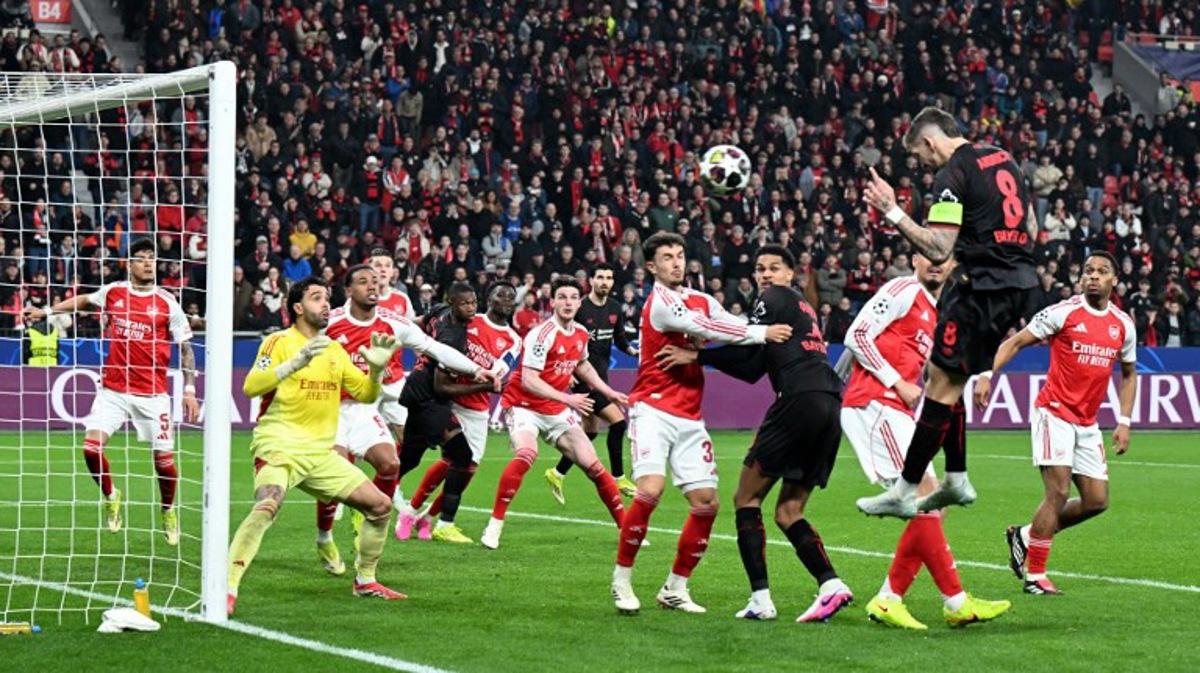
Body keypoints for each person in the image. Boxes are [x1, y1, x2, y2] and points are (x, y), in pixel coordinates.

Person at [858, 106, 1039, 517]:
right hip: (1021, 284)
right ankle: (956, 477)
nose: (926, 165)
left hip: (984, 289)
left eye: (923, 157)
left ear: (929, 141)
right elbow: (1027, 218)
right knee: (943, 374)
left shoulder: (951, 174)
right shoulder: (1001, 155)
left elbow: (939, 249)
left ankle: (904, 490)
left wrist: (891, 209)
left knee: (938, 385)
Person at [655, 245, 850, 623]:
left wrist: (697, 355)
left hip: (797, 399)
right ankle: (830, 585)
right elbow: (751, 366)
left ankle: (760, 599)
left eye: (774, 268)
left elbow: (745, 338)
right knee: (789, 511)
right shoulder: (803, 311)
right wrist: (706, 357)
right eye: (760, 269)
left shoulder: (773, 298)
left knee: (746, 499)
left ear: (790, 274)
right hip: (829, 403)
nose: (765, 275)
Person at [610, 232, 792, 615]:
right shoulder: (660, 304)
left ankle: (675, 587)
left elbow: (729, 323)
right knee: (650, 490)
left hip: (690, 414)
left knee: (706, 504)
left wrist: (764, 323)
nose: (676, 263)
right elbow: (712, 330)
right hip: (653, 408)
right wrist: (762, 332)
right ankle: (621, 581)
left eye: (679, 256)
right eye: (666, 258)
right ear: (650, 266)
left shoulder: (702, 299)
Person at [840, 253, 1011, 629]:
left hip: (897, 411)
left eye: (944, 258)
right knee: (926, 495)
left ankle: (890, 598)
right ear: (914, 259)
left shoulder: (940, 313)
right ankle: (955, 601)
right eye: (928, 256)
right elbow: (856, 335)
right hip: (874, 404)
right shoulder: (903, 289)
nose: (936, 263)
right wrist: (896, 381)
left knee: (933, 503)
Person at [228, 277, 406, 614]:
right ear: (297, 308)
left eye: (327, 298)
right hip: (279, 444)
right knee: (268, 504)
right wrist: (294, 363)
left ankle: (365, 580)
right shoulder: (277, 341)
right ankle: (227, 586)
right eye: (316, 298)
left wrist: (377, 370)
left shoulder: (335, 350)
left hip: (320, 453)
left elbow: (366, 394)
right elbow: (251, 386)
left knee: (381, 506)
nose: (325, 304)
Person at [975, 252, 1137, 595]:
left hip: (1087, 422)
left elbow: (1129, 372)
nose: (1093, 276)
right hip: (1054, 412)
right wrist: (989, 374)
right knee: (1059, 491)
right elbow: (1015, 341)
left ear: (1114, 281)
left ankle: (1025, 535)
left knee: (1096, 501)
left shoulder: (1122, 324)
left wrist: (1124, 420)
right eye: (1088, 271)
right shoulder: (1063, 312)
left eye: (1102, 272)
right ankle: (1035, 576)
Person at [313, 266, 491, 569]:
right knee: (338, 475)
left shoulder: (392, 323)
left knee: (392, 463)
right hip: (331, 408)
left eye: (375, 281)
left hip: (366, 407)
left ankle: (371, 518)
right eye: (363, 281)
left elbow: (435, 349)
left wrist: (475, 369)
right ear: (348, 291)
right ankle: (324, 536)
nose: (372, 286)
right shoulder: (331, 322)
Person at [24, 238, 199, 545]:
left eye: (152, 258)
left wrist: (188, 388)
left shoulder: (168, 303)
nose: (148, 263)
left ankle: (168, 509)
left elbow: (185, 348)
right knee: (91, 449)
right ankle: (111, 495)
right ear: (129, 264)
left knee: (165, 463)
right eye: (141, 258)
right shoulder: (114, 291)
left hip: (153, 394)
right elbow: (82, 301)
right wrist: (45, 312)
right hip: (114, 390)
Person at [480, 277, 629, 550]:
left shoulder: (581, 333)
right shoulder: (542, 333)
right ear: (553, 302)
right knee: (527, 454)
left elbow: (582, 366)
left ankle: (627, 530)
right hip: (524, 406)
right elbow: (528, 380)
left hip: (555, 409)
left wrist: (608, 392)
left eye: (573, 297)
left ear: (579, 302)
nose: (568, 302)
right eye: (562, 297)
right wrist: (568, 398)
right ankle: (495, 525)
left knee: (592, 465)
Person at [401, 282, 521, 540]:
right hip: (446, 398)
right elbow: (431, 334)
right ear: (488, 298)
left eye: (512, 296)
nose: (507, 300)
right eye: (501, 294)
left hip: (476, 406)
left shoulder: (513, 340)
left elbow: (497, 375)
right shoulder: (465, 318)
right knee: (451, 459)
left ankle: (426, 517)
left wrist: (491, 380)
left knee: (465, 467)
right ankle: (418, 514)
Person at [544, 263, 640, 503]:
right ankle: (619, 477)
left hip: (600, 376)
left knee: (590, 431)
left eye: (609, 278)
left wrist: (631, 350)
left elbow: (618, 338)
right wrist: (568, 372)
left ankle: (557, 472)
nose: (604, 282)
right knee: (618, 423)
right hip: (582, 381)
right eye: (600, 277)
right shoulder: (579, 307)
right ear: (592, 280)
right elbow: (561, 336)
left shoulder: (615, 308)